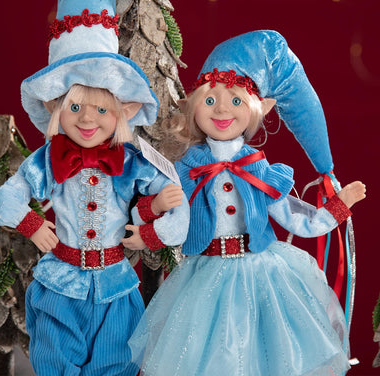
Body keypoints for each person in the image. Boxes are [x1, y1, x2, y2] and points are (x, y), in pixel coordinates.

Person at [129, 30, 366, 376]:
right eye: (210, 101)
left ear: (260, 108)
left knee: (269, 352)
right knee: (209, 355)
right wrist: (147, 232)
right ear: (192, 107)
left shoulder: (260, 169)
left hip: (263, 274)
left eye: (236, 100)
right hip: (205, 276)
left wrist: (338, 207)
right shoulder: (187, 169)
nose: (222, 109)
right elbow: (177, 220)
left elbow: (296, 220)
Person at [0, 0, 188, 376]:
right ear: (54, 109)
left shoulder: (130, 160)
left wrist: (153, 223)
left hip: (115, 285)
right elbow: (10, 194)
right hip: (61, 283)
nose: (88, 119)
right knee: (55, 356)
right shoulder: (48, 160)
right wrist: (32, 223)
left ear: (123, 112)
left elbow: (171, 196)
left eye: (102, 109)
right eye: (76, 107)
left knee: (116, 358)